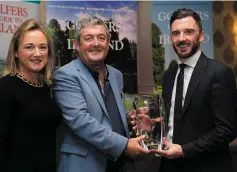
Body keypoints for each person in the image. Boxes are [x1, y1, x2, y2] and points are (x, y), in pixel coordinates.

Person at [52, 16, 149, 172]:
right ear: (77, 44)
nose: (96, 43)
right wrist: (124, 145)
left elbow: (109, 112)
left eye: (101, 38)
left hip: (118, 164)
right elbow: (80, 122)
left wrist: (131, 117)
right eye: (88, 38)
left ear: (108, 42)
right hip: (84, 165)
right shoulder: (65, 75)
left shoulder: (116, 75)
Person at [148, 8, 236, 172]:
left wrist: (184, 150)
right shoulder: (169, 76)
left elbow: (227, 130)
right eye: (176, 33)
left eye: (188, 32)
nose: (181, 39)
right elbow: (174, 122)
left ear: (201, 36)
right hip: (169, 166)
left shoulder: (219, 73)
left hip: (206, 166)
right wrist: (153, 127)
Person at [0, 19, 61, 172]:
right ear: (16, 52)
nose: (37, 53)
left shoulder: (45, 87)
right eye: (29, 47)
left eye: (43, 47)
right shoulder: (3, 88)